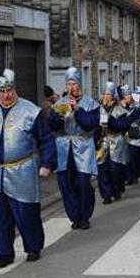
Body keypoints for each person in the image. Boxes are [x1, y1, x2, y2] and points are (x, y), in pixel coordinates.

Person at [0, 74, 56, 268]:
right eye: (2, 91)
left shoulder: (31, 111)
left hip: (23, 169)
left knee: (26, 213)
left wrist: (47, 164)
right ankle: (3, 253)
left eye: (9, 91)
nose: (6, 95)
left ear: (15, 90)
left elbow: (46, 139)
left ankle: (33, 247)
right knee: (0, 216)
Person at [52, 67, 100, 230]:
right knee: (66, 184)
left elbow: (90, 124)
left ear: (79, 85)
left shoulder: (90, 103)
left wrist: (77, 110)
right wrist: (57, 118)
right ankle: (74, 216)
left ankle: (85, 215)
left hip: (83, 146)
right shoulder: (59, 104)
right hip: (64, 147)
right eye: (69, 84)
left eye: (74, 84)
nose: (71, 87)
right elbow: (51, 126)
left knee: (82, 182)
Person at [97, 82, 139, 204]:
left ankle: (117, 189)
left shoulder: (120, 110)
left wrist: (110, 121)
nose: (106, 96)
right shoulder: (99, 109)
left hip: (116, 141)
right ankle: (106, 195)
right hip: (103, 141)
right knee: (102, 169)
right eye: (105, 93)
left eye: (109, 94)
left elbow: (123, 125)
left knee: (116, 169)